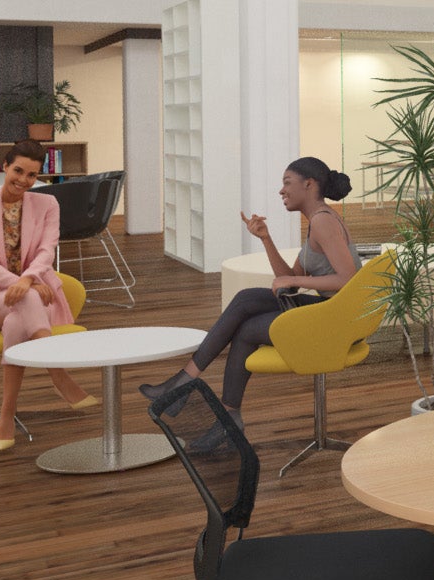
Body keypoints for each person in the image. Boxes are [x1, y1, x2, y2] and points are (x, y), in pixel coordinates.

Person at [141, 157, 358, 442]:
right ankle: (204, 399)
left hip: (337, 319)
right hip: (329, 309)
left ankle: (193, 392)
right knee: (245, 302)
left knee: (246, 324)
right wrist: (266, 239)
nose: (281, 190)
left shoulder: (322, 221)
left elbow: (347, 279)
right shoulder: (317, 220)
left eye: (287, 183)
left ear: (309, 185)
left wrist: (293, 280)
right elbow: (289, 277)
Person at [0, 141, 96, 451]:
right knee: (28, 298)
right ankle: (58, 374)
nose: (23, 180)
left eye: (32, 175)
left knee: (16, 323)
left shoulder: (47, 205)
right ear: (4, 166)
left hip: (30, 301)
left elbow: (47, 250)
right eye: (18, 170)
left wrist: (28, 281)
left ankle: (6, 415)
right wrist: (26, 284)